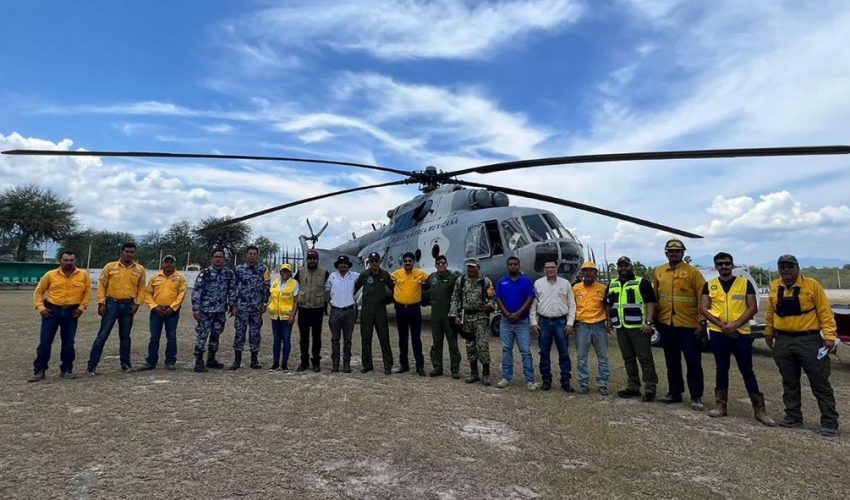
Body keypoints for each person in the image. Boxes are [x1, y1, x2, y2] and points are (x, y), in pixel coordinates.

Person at [764, 254, 839, 437]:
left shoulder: (812, 286)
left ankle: (829, 421)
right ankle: (793, 416)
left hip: (809, 341)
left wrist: (829, 337)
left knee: (820, 382)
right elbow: (770, 312)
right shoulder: (775, 286)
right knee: (789, 382)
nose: (786, 270)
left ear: (797, 268)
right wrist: (769, 331)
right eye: (782, 267)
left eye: (790, 266)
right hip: (783, 341)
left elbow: (825, 313)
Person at [699, 252, 775, 425]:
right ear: (716, 266)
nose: (724, 266)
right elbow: (703, 308)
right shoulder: (709, 285)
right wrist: (720, 324)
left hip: (741, 333)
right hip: (718, 333)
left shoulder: (744, 283)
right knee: (721, 368)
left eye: (727, 263)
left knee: (747, 370)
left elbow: (752, 307)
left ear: (732, 265)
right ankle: (721, 405)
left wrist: (734, 325)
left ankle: (759, 410)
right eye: (720, 264)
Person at [653, 239, 707, 410]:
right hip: (666, 324)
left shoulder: (693, 273)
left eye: (677, 251)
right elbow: (654, 298)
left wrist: (702, 322)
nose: (674, 253)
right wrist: (653, 320)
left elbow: (703, 299)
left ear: (683, 253)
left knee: (693, 362)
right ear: (666, 253)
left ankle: (696, 396)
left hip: (689, 325)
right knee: (672, 361)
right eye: (670, 251)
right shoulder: (659, 272)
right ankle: (675, 393)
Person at [29, 250, 92, 381]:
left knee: (68, 343)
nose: (68, 263)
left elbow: (87, 293)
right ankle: (40, 370)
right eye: (65, 260)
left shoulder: (83, 275)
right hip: (51, 312)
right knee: (45, 343)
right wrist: (41, 308)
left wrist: (81, 308)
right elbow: (38, 292)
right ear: (60, 261)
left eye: (71, 260)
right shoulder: (50, 275)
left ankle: (67, 370)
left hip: (72, 313)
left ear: (75, 261)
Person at [86, 242, 146, 375]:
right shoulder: (110, 267)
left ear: (134, 253)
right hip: (111, 304)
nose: (129, 254)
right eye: (127, 252)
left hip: (128, 305)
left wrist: (137, 304)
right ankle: (92, 366)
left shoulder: (140, 269)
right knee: (102, 335)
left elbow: (142, 288)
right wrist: (101, 303)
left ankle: (125, 364)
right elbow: (102, 285)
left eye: (132, 252)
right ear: (121, 252)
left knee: (125, 337)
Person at [608, 256, 658, 402]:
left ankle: (650, 387)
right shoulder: (612, 284)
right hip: (621, 328)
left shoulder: (642, 282)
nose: (623, 268)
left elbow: (650, 303)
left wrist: (648, 322)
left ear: (631, 267)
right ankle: (633, 386)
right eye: (620, 266)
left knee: (645, 358)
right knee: (628, 359)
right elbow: (608, 304)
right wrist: (609, 321)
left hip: (639, 328)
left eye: (626, 265)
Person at [529, 260, 576, 392]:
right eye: (547, 267)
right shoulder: (538, 284)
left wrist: (570, 323)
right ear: (544, 269)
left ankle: (565, 381)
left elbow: (572, 304)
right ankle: (546, 380)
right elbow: (533, 305)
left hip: (561, 323)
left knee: (564, 353)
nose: (550, 269)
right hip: (543, 322)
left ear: (556, 269)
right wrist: (533, 323)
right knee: (544, 353)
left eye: (552, 267)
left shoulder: (565, 283)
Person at [448, 258, 495, 385]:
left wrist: (490, 305)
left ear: (478, 268)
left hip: (480, 317)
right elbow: (454, 298)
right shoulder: (461, 281)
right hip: (466, 317)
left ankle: (486, 374)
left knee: (482, 345)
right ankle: (474, 373)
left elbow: (492, 298)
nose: (470, 269)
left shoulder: (485, 281)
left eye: (473, 267)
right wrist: (454, 316)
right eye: (469, 267)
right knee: (470, 346)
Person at [495, 256, 538, 391]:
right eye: (510, 264)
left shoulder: (526, 281)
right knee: (506, 349)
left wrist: (518, 314)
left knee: (525, 351)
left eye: (515, 264)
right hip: (506, 322)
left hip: (522, 322)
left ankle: (529, 380)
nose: (513, 266)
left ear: (519, 265)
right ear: (507, 266)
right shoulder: (502, 281)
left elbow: (530, 298)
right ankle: (506, 378)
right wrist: (507, 314)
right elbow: (498, 299)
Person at [138, 255, 187, 372]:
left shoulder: (180, 278)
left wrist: (172, 307)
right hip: (156, 311)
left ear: (174, 264)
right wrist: (154, 307)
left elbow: (181, 294)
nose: (169, 264)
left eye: (171, 262)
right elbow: (148, 293)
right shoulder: (155, 277)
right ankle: (151, 361)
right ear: (162, 264)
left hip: (172, 312)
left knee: (171, 336)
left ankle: (170, 361)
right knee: (154, 337)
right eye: (166, 262)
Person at [191, 249, 237, 373]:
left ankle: (211, 358)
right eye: (216, 257)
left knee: (216, 334)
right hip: (205, 310)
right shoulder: (205, 273)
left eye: (220, 257)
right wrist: (196, 308)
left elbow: (232, 290)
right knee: (202, 334)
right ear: (212, 258)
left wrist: (233, 305)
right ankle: (199, 360)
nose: (218, 259)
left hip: (220, 310)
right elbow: (196, 291)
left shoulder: (228, 273)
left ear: (224, 259)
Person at [229, 245, 271, 370]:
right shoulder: (239, 269)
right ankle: (237, 361)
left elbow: (266, 286)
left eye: (254, 254)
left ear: (257, 256)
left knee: (255, 334)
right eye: (250, 254)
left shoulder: (263, 269)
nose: (252, 256)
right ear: (246, 255)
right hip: (241, 307)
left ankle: (254, 360)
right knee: (240, 333)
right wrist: (233, 305)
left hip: (256, 308)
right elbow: (233, 287)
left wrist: (264, 303)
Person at [572, 261, 610, 395]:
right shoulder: (575, 288)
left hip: (599, 325)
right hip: (582, 326)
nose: (588, 273)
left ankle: (603, 384)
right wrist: (570, 324)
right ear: (581, 273)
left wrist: (609, 322)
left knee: (603, 357)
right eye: (585, 271)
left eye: (591, 271)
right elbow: (572, 307)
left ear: (596, 273)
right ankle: (583, 384)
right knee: (581, 357)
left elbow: (607, 306)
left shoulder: (603, 288)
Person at [391, 252, 430, 376]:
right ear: (403, 262)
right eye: (405, 261)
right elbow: (387, 281)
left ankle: (419, 366)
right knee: (402, 339)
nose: (408, 263)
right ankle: (404, 365)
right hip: (401, 310)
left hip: (414, 310)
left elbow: (431, 279)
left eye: (410, 261)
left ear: (414, 262)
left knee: (416, 339)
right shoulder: (397, 274)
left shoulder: (420, 274)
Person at [354, 252, 394, 374]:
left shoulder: (385, 275)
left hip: (380, 311)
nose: (374, 263)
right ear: (369, 263)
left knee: (384, 339)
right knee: (366, 339)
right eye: (372, 261)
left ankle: (387, 365)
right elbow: (354, 288)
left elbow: (394, 289)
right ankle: (367, 365)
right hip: (367, 311)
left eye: (376, 261)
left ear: (379, 262)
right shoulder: (364, 275)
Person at [424, 255, 461, 378]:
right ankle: (437, 367)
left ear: (447, 264)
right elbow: (422, 289)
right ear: (435, 265)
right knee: (436, 342)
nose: (441, 265)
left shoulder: (453, 278)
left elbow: (459, 297)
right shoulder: (432, 278)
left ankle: (454, 369)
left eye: (443, 263)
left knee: (452, 343)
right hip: (435, 314)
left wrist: (457, 314)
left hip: (449, 314)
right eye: (439, 263)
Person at [294, 249, 329, 372]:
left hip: (317, 310)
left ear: (317, 260)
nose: (312, 261)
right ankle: (304, 362)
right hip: (303, 309)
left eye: (314, 259)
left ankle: (316, 362)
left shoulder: (324, 273)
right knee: (303, 338)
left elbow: (331, 287)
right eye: (310, 259)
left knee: (316, 337)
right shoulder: (300, 272)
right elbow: (293, 287)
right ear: (307, 260)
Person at [326, 255, 359, 373]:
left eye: (345, 263)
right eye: (340, 263)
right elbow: (327, 290)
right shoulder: (332, 276)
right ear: (337, 265)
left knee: (347, 339)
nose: (343, 265)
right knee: (335, 339)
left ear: (348, 265)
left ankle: (346, 364)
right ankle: (335, 364)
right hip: (335, 312)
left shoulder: (355, 276)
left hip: (349, 312)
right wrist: (330, 302)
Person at [268, 263, 299, 371]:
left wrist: (293, 315)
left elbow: (296, 302)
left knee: (286, 340)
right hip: (275, 316)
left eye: (287, 271)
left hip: (286, 317)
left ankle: (284, 364)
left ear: (290, 273)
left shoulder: (294, 284)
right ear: (280, 272)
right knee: (276, 340)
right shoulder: (275, 283)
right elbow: (272, 297)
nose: (284, 273)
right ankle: (275, 363)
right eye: (283, 271)